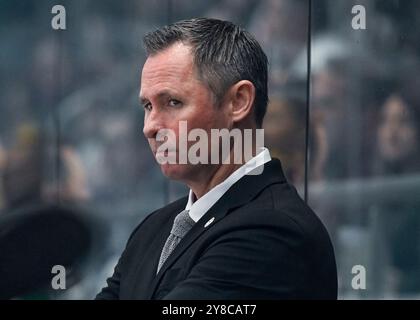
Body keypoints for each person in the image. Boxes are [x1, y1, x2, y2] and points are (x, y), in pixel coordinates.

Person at [96, 18, 337, 300]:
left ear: (239, 101)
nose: (149, 126)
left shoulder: (272, 230)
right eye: (148, 106)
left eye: (172, 102)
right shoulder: (152, 229)